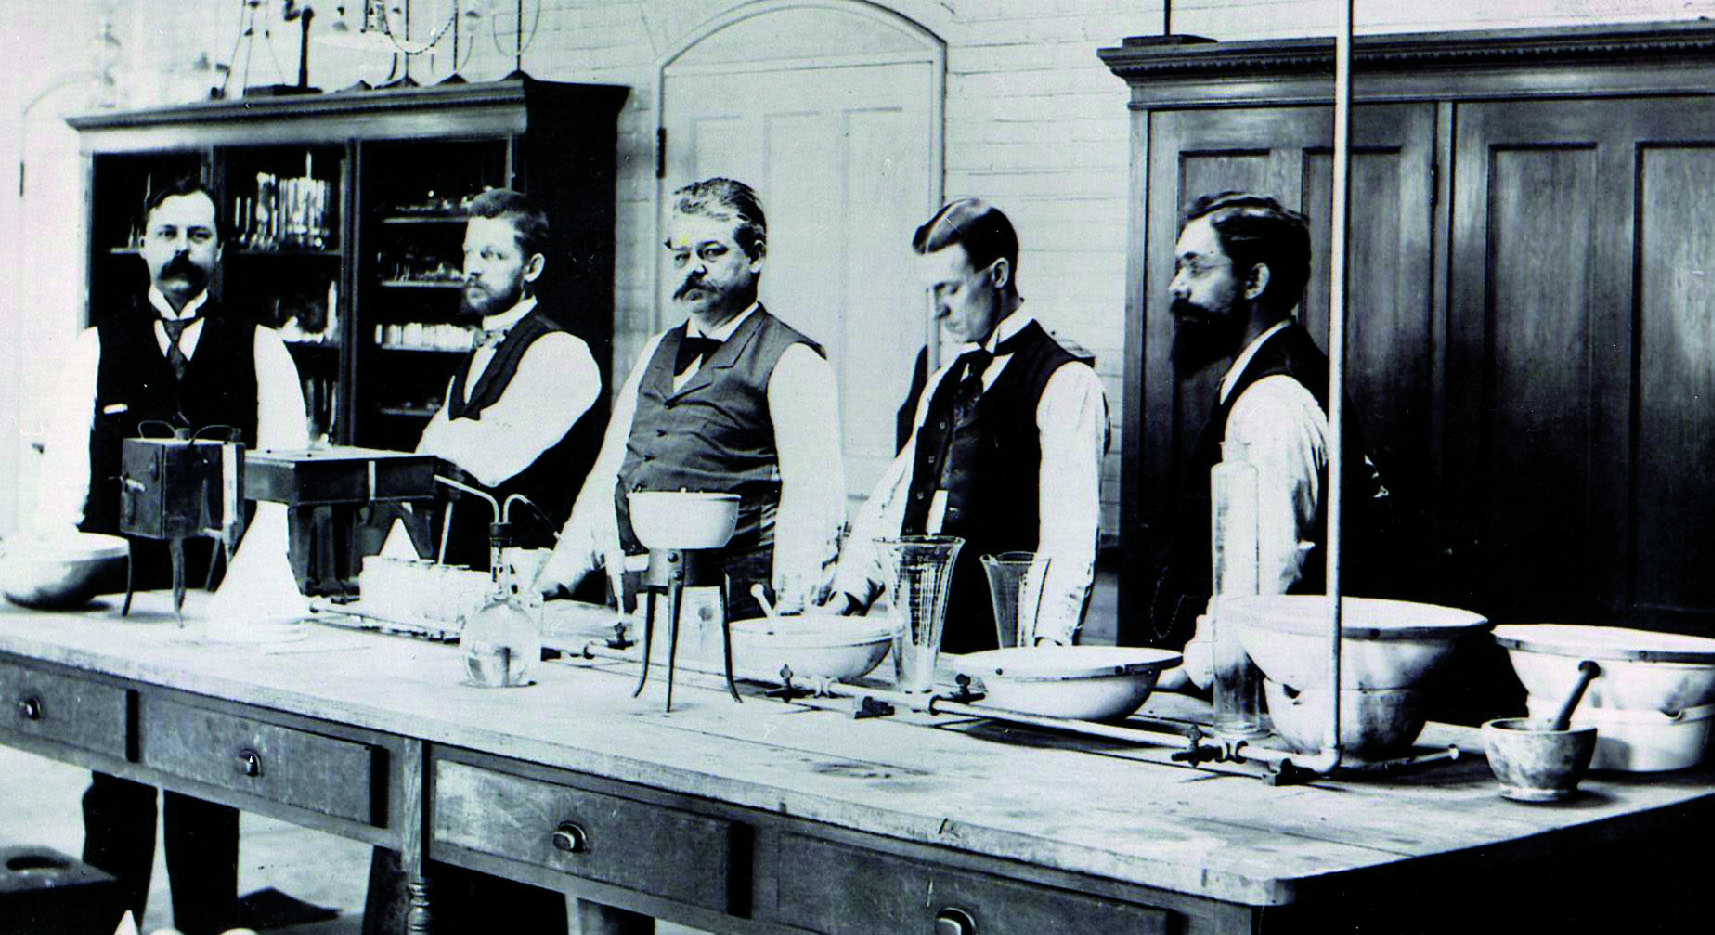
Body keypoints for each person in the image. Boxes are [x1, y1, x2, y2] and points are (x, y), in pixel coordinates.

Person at [33, 176, 309, 935]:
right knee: (116, 781)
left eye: (197, 235)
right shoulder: (95, 347)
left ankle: (206, 926)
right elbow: (62, 484)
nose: (181, 251)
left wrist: (254, 601)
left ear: (219, 249)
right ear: (143, 244)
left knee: (205, 780)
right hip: (122, 605)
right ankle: (109, 922)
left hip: (222, 607)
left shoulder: (262, 349)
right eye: (168, 235)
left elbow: (282, 488)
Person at [535, 177, 845, 619]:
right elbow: (610, 475)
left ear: (756, 255)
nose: (692, 269)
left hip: (733, 614)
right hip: (634, 604)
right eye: (681, 255)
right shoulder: (656, 349)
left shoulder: (793, 361)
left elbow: (813, 505)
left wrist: (793, 620)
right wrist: (555, 578)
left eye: (711, 252)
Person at [827, 199, 1108, 652]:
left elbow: (1070, 533)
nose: (938, 309)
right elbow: (897, 493)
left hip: (1004, 646)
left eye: (951, 289)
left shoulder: (1066, 382)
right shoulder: (945, 379)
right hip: (923, 642)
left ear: (998, 275)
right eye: (931, 292)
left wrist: (1046, 646)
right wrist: (849, 593)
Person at [1147, 191, 1387, 688]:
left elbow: (1263, 580)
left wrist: (1191, 674)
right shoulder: (1265, 381)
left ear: (1255, 280)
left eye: (1196, 268)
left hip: (1269, 693)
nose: (1176, 287)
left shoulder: (1273, 401)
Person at [401, 188, 604, 569]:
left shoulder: (561, 353)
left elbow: (489, 460)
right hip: (464, 572)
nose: (473, 268)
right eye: (469, 253)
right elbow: (426, 459)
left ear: (532, 268)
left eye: (492, 255)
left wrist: (450, 441)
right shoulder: (477, 355)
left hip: (532, 579)